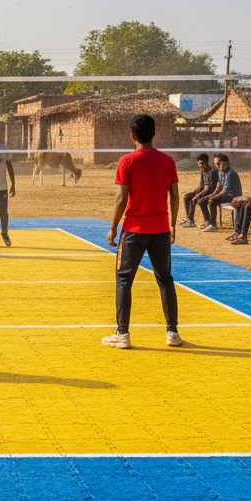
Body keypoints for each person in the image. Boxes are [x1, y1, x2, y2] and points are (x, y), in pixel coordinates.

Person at [104, 114, 180, 350]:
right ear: (154, 134)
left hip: (134, 230)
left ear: (132, 136)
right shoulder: (168, 161)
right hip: (160, 229)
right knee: (165, 279)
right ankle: (172, 332)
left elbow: (120, 198)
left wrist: (113, 227)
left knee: (124, 280)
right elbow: (174, 195)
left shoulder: (127, 161)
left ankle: (122, 333)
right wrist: (173, 224)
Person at [200, 153, 241, 231]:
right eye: (219, 164)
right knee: (203, 200)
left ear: (227, 164)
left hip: (233, 196)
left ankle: (213, 225)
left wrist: (214, 197)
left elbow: (225, 191)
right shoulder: (220, 171)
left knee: (212, 201)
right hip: (226, 194)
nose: (220, 166)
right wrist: (212, 194)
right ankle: (208, 221)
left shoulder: (230, 174)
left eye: (222, 164)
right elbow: (219, 185)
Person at [179, 153, 215, 228]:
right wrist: (195, 192)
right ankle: (189, 219)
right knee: (187, 196)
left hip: (211, 192)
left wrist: (197, 195)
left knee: (195, 199)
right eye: (199, 163)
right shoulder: (202, 171)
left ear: (207, 163)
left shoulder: (211, 172)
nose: (201, 165)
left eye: (202, 163)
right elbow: (201, 185)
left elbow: (208, 188)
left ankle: (205, 220)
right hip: (204, 191)